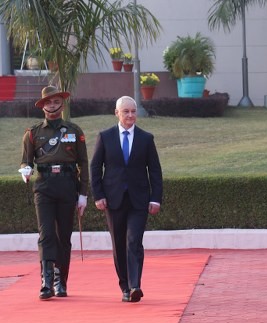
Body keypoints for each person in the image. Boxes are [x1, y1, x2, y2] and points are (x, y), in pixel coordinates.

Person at [90, 96, 163, 303]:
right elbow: (95, 168)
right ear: (117, 113)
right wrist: (98, 195)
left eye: (133, 111)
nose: (130, 115)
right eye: (126, 112)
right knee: (119, 243)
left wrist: (156, 198)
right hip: (113, 200)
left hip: (139, 200)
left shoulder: (146, 138)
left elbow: (155, 171)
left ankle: (135, 286)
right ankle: (124, 285)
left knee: (133, 241)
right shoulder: (105, 137)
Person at [20, 86, 89, 300]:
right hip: (44, 187)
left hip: (68, 185)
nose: (52, 104)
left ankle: (61, 281)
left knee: (64, 237)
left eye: (56, 100)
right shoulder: (33, 133)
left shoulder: (74, 131)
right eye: (48, 102)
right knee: (46, 234)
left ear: (62, 103)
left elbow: (83, 163)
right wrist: (25, 169)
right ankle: (46, 281)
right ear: (42, 106)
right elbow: (26, 159)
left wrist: (83, 194)